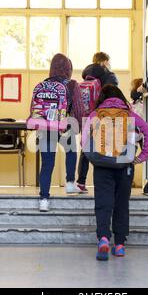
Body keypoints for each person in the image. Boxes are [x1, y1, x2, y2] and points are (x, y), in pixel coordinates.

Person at [82, 85, 148, 261]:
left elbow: (84, 140)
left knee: (103, 203)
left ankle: (104, 239)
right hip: (125, 166)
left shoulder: (95, 114)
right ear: (120, 97)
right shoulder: (129, 115)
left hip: (102, 165)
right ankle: (120, 245)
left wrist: (92, 155)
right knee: (121, 204)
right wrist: (141, 157)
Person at [36, 54, 84, 212]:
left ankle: (44, 199)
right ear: (68, 68)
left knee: (47, 164)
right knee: (71, 151)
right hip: (65, 125)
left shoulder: (44, 84)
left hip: (45, 127)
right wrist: (78, 126)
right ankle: (70, 184)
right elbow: (78, 109)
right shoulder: (72, 84)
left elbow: (38, 109)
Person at [76, 52, 119, 193]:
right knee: (105, 148)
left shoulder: (86, 76)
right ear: (105, 61)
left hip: (87, 116)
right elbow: (113, 95)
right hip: (103, 115)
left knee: (86, 148)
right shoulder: (109, 76)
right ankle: (103, 183)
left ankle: (81, 182)